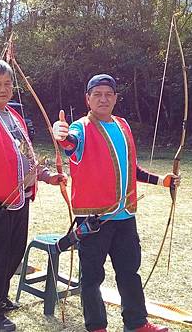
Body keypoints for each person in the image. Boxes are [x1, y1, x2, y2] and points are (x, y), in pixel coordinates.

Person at [51, 74, 178, 332]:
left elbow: (131, 168)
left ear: (116, 98)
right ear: (87, 99)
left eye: (108, 94)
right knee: (92, 278)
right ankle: (97, 326)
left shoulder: (122, 125)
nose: (103, 99)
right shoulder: (80, 128)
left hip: (125, 217)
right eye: (97, 94)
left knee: (130, 272)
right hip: (94, 220)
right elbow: (70, 143)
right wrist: (61, 135)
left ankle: (137, 323)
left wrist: (160, 181)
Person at [0, 59, 66, 331]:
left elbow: (25, 154)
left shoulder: (13, 115)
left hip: (18, 198)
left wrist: (44, 175)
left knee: (13, 253)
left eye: (8, 84)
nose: (4, 89)